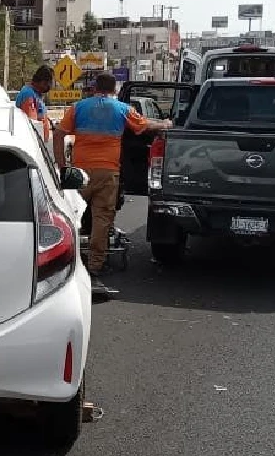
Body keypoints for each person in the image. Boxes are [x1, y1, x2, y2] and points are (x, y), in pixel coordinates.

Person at [53, 72, 172, 298]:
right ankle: (95, 265)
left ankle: (65, 260)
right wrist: (165, 123)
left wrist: (62, 167)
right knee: (102, 219)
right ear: (113, 89)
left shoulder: (78, 108)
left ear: (95, 87)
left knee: (70, 216)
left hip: (80, 173)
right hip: (108, 173)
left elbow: (59, 134)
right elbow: (145, 126)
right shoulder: (121, 109)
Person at [15, 65, 53, 142]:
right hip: (33, 142)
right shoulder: (29, 94)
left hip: (39, 142)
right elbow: (32, 124)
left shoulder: (37, 95)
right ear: (42, 81)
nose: (48, 86)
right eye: (47, 83)